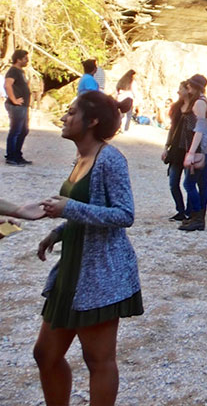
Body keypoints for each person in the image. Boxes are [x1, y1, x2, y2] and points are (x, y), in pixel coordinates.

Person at [34, 90, 143, 406]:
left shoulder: (110, 159)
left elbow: (125, 214)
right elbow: (83, 208)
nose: (65, 117)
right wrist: (58, 232)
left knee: (98, 359)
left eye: (71, 112)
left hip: (100, 275)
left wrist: (68, 210)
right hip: (72, 269)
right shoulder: (81, 157)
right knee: (45, 354)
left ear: (92, 120)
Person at [180, 74, 207, 232]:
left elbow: (200, 129)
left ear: (194, 87)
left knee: (189, 183)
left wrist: (191, 152)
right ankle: (199, 216)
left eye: (189, 86)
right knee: (202, 182)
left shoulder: (199, 103)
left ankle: (197, 217)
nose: (187, 88)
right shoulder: (203, 101)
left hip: (203, 147)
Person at [161, 82, 190, 222]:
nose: (178, 92)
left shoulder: (195, 108)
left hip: (189, 150)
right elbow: (172, 129)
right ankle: (180, 209)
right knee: (173, 182)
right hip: (176, 150)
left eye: (181, 89)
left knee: (189, 184)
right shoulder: (177, 108)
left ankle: (191, 211)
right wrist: (166, 147)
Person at [5, 49, 32, 166]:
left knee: (24, 130)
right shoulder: (13, 71)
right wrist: (14, 100)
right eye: (25, 58)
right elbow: (7, 85)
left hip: (23, 106)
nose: (27, 60)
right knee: (16, 130)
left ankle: (17, 154)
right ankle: (11, 156)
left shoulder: (21, 72)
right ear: (18, 59)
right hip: (16, 106)